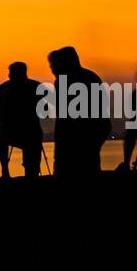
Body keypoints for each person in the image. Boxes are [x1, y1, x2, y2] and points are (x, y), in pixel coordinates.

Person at [46, 46, 109, 177]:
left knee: (67, 169)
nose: (52, 70)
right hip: (97, 128)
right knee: (90, 166)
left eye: (53, 66)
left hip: (81, 131)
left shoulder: (63, 81)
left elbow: (64, 117)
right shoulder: (92, 77)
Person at [0, 62, 42, 179]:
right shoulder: (36, 86)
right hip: (31, 131)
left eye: (11, 72)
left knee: (0, 132)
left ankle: (5, 170)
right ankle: (31, 171)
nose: (9, 75)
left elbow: (2, 115)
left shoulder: (3, 89)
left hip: (15, 132)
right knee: (32, 135)